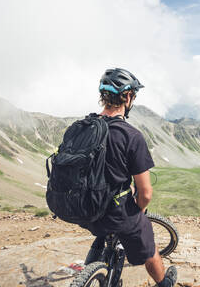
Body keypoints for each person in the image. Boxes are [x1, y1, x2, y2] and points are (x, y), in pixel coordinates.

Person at [82, 68, 177, 287]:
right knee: (149, 247)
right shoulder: (131, 136)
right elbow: (145, 193)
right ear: (127, 96)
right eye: (133, 95)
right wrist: (138, 211)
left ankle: (93, 264)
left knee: (104, 228)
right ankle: (164, 283)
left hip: (84, 209)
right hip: (114, 212)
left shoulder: (83, 127)